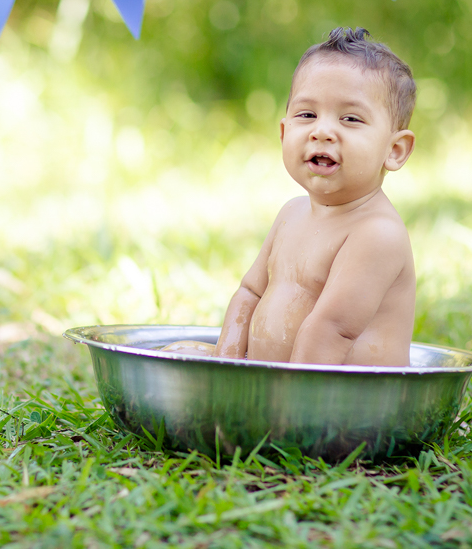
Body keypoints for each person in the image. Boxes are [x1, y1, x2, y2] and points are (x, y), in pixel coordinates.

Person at [165, 27, 417, 366]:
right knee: (177, 352)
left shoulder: (376, 233)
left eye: (351, 118)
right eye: (307, 115)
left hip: (341, 398)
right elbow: (249, 294)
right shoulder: (291, 214)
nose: (322, 131)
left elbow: (331, 331)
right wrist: (226, 366)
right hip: (276, 378)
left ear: (395, 150)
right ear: (284, 133)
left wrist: (285, 402)